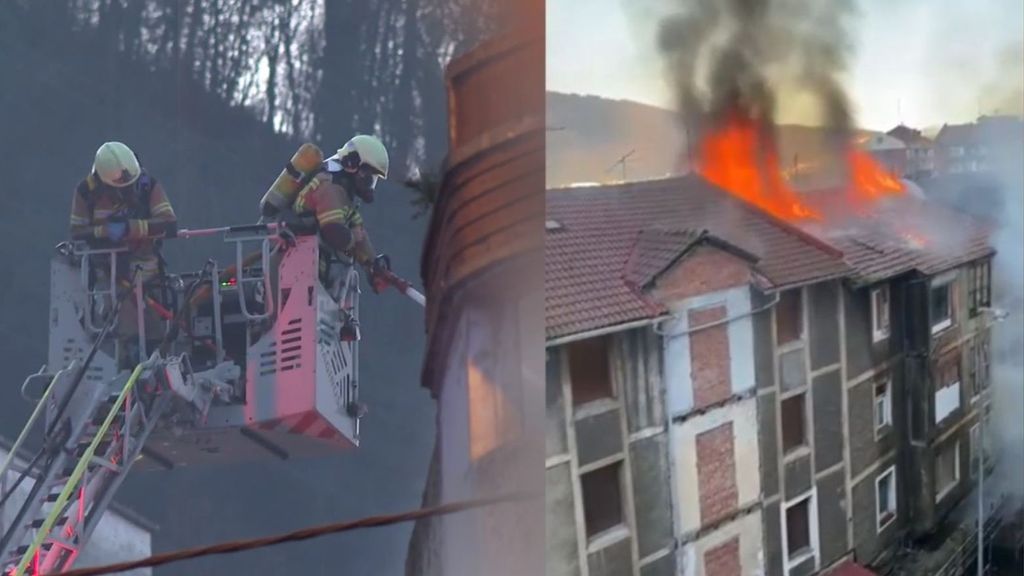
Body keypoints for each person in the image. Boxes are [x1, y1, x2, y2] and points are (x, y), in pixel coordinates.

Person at [264, 134, 393, 341]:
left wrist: (374, 266)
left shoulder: (344, 194)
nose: (370, 183)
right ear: (352, 164)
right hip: (294, 270)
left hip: (308, 277)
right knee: (289, 335)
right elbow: (334, 232)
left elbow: (358, 231)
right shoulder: (330, 187)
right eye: (368, 176)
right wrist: (352, 238)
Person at [70, 141, 178, 366]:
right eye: (118, 187)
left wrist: (132, 228)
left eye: (129, 185)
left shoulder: (147, 186)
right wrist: (104, 231)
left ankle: (155, 361)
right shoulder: (86, 192)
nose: (125, 190)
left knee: (155, 328)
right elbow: (77, 231)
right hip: (110, 273)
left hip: (149, 273)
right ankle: (132, 360)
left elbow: (169, 224)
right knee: (125, 318)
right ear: (102, 180)